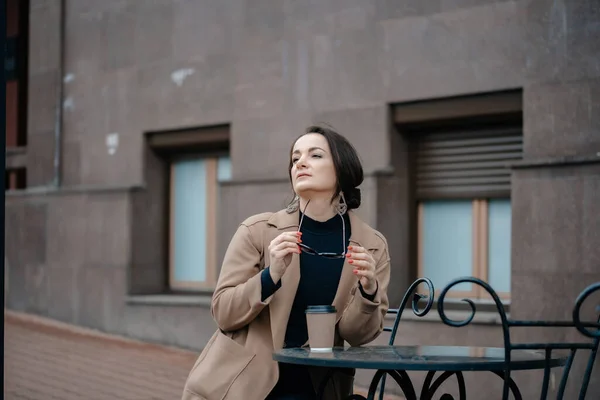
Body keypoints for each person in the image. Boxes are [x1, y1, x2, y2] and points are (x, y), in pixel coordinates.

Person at [181, 124, 391, 400]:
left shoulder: (371, 245)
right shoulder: (257, 230)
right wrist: (271, 275)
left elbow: (358, 335)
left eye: (315, 155)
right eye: (295, 158)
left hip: (320, 388)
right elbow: (223, 312)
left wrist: (368, 290)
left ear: (342, 169)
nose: (301, 162)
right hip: (243, 385)